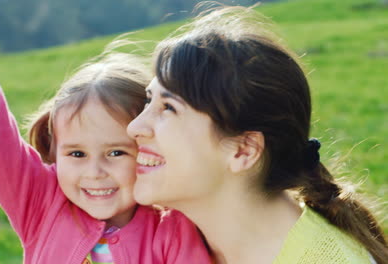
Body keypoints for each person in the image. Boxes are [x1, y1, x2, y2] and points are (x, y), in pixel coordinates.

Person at [127, 6, 388, 264]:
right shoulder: (160, 241)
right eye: (148, 102)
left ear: (244, 150)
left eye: (168, 108)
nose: (134, 127)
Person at [0, 32, 211, 264]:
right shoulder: (42, 203)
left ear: (146, 150)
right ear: (56, 152)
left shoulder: (173, 230)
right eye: (77, 154)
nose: (95, 172)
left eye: (115, 152)